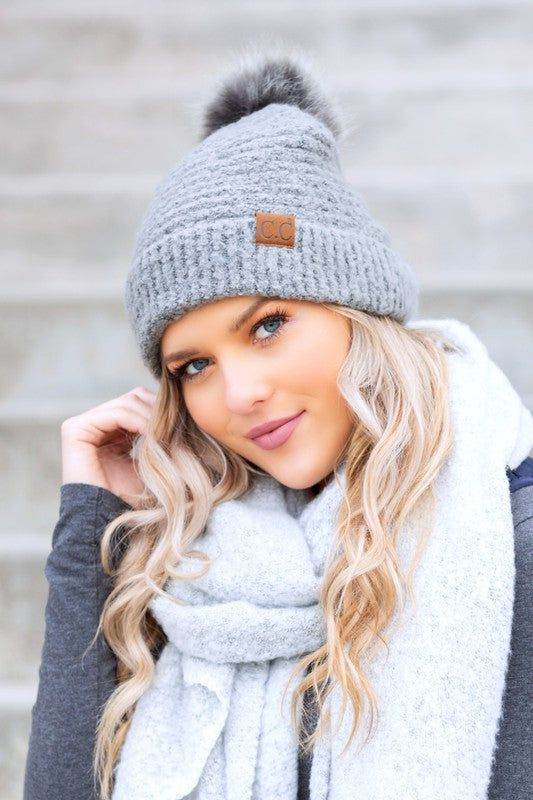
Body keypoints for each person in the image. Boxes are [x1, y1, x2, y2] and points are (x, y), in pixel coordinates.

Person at [23, 52, 532, 800]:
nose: (240, 394)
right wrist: (91, 535)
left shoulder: (508, 533)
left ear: (356, 310)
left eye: (267, 326)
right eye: (194, 365)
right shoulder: (193, 568)